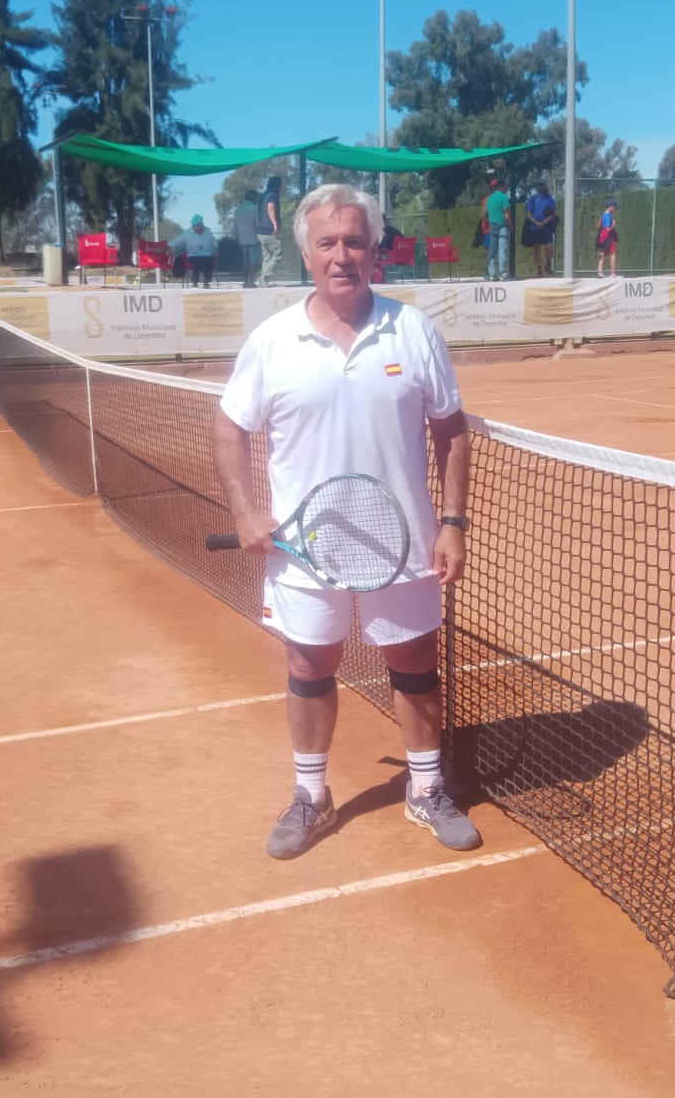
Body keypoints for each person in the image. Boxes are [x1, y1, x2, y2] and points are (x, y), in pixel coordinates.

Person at [213, 182, 481, 860]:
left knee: (415, 661)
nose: (342, 255)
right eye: (327, 242)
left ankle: (425, 788)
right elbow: (228, 427)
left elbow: (451, 431)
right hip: (306, 553)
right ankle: (312, 796)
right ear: (306, 252)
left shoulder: (413, 330)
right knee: (309, 663)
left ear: (374, 250)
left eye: (355, 241)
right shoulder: (273, 340)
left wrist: (453, 522)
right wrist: (246, 510)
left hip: (406, 542)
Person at [169, 214, 217, 288]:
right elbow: (178, 241)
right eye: (193, 225)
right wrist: (170, 246)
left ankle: (206, 282)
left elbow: (214, 242)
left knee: (210, 261)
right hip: (193, 255)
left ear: (201, 224)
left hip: (207, 254)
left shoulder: (208, 231)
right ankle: (195, 283)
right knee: (198, 261)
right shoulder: (188, 233)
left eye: (196, 225)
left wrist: (215, 249)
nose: (195, 227)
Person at [524, 178, 558, 276]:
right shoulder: (533, 198)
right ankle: (539, 269)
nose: (541, 187)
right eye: (539, 185)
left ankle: (548, 265)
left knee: (549, 247)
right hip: (535, 227)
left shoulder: (550, 199)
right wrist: (535, 222)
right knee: (537, 248)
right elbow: (528, 213)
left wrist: (547, 220)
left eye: (543, 185)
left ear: (546, 186)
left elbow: (554, 213)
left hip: (546, 226)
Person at [482, 177, 511, 281]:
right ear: (501, 186)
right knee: (502, 251)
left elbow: (484, 214)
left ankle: (492, 274)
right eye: (506, 186)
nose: (506, 188)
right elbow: (507, 213)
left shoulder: (489, 199)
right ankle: (503, 274)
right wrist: (510, 225)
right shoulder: (504, 197)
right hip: (502, 225)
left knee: (492, 251)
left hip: (492, 226)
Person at [257, 176, 284, 286]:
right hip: (268, 229)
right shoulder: (273, 195)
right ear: (278, 185)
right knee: (278, 252)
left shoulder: (264, 194)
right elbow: (270, 207)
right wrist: (275, 223)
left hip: (260, 229)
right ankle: (264, 277)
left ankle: (264, 281)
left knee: (267, 255)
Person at [234, 189, 261, 287]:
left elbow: (235, 226)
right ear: (252, 197)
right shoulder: (255, 208)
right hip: (254, 238)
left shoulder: (238, 210)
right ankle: (250, 280)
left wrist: (235, 238)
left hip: (241, 240)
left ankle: (245, 281)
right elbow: (258, 223)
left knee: (245, 262)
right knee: (254, 261)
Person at [596, 200, 619, 278]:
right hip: (608, 237)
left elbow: (598, 225)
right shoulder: (608, 215)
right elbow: (608, 229)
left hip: (603, 236)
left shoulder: (603, 215)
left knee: (603, 253)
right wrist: (613, 224)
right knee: (613, 253)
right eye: (614, 207)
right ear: (611, 207)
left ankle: (599, 271)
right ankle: (613, 273)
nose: (615, 209)